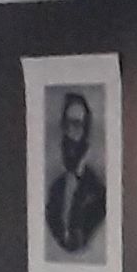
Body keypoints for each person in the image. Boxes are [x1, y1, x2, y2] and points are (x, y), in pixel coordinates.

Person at [45, 87, 107, 257]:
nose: (71, 132)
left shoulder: (98, 192)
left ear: (86, 130)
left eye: (77, 125)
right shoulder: (56, 188)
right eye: (67, 125)